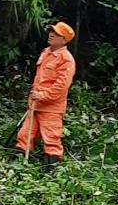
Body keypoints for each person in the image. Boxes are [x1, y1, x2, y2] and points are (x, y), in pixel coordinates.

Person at [16, 22, 77, 164]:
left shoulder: (66, 59)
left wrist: (42, 95)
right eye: (51, 31)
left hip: (51, 108)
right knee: (25, 135)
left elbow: (61, 87)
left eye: (56, 33)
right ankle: (17, 164)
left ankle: (52, 170)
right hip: (35, 104)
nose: (51, 34)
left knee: (51, 139)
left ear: (64, 40)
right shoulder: (46, 52)